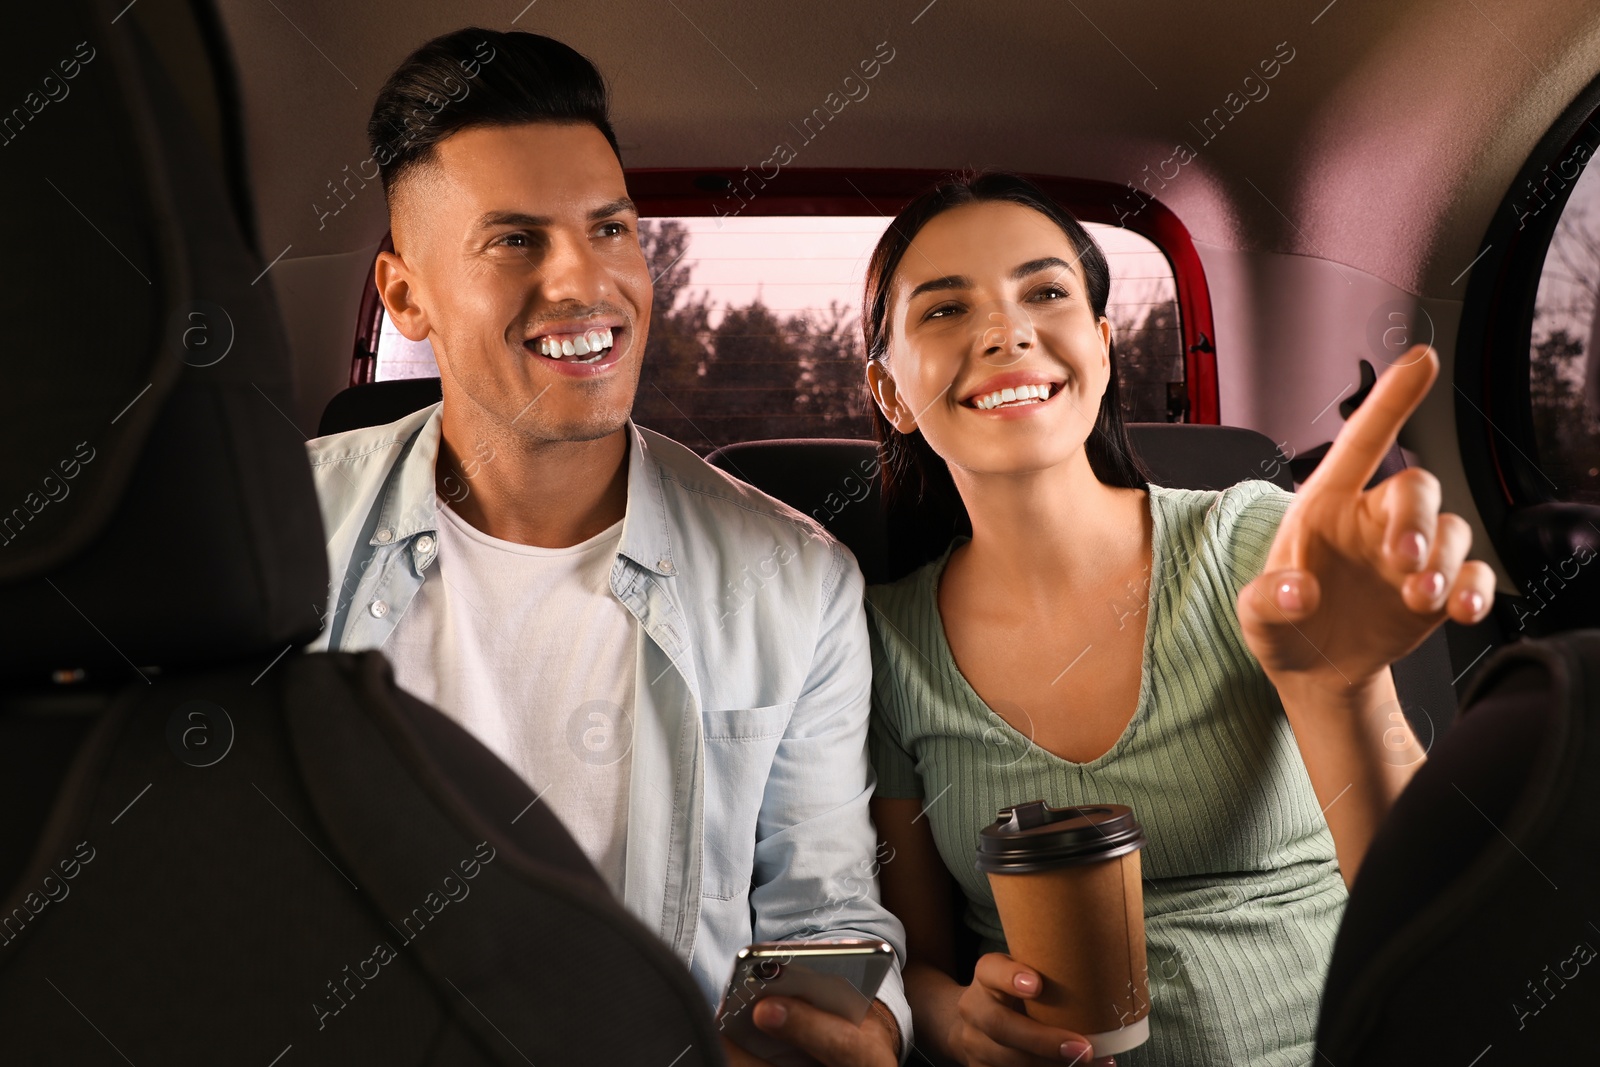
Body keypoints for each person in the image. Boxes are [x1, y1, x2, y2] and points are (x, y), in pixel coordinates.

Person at [305, 28, 909, 1065]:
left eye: (611, 229)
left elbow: (825, 916)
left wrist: (838, 1027)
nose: (585, 282)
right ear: (405, 296)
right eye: (515, 240)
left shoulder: (796, 581)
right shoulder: (274, 528)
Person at [859, 173, 1494, 1066]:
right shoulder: (881, 643)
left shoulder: (1258, 545)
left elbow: (1433, 913)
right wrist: (952, 1018)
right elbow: (918, 959)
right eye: (945, 310)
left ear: (1104, 347)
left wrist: (1339, 687)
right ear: (889, 392)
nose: (1006, 331)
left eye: (1046, 292)